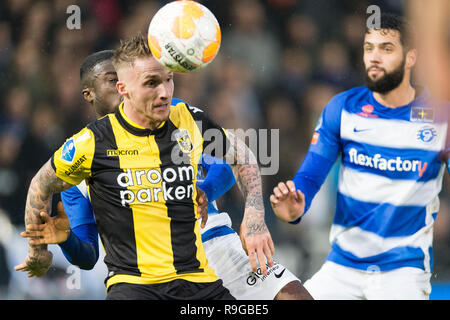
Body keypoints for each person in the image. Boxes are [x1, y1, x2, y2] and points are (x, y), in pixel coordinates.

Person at [20, 49, 312, 300]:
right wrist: (64, 240)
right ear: (90, 94)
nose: (123, 85)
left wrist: (206, 190)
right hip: (143, 276)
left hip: (214, 244)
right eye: (112, 81)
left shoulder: (175, 116)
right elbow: (86, 256)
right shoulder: (83, 153)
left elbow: (228, 164)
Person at [270, 13, 449, 300]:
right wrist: (294, 207)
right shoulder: (342, 108)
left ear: (411, 57)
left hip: (402, 272)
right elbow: (309, 177)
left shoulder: (442, 117)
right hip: (342, 268)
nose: (374, 57)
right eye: (369, 48)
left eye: (386, 48)